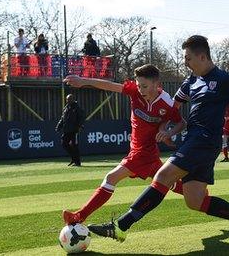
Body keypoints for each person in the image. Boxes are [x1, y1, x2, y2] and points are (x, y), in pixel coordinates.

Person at [87, 35, 229, 243]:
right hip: (194, 140)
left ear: (202, 57)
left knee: (163, 175)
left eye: (188, 58)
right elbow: (172, 108)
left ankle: (121, 226)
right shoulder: (191, 81)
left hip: (205, 141)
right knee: (195, 200)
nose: (185, 63)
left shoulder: (227, 79)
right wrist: (166, 129)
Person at [61, 64, 188, 225]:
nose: (140, 89)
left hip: (142, 153)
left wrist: (169, 133)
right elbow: (109, 85)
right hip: (147, 153)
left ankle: (79, 216)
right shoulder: (134, 92)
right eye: (138, 85)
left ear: (157, 84)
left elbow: (181, 123)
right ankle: (201, 197)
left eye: (144, 86)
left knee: (111, 178)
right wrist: (83, 81)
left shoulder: (166, 103)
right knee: (168, 183)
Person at [56, 94, 85, 167]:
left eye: (70, 99)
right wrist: (59, 126)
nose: (68, 101)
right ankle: (73, 159)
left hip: (74, 130)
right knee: (64, 144)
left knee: (74, 145)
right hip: (66, 130)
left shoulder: (76, 108)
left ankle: (77, 162)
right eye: (67, 99)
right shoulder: (65, 108)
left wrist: (79, 126)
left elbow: (81, 117)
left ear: (73, 99)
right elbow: (62, 119)